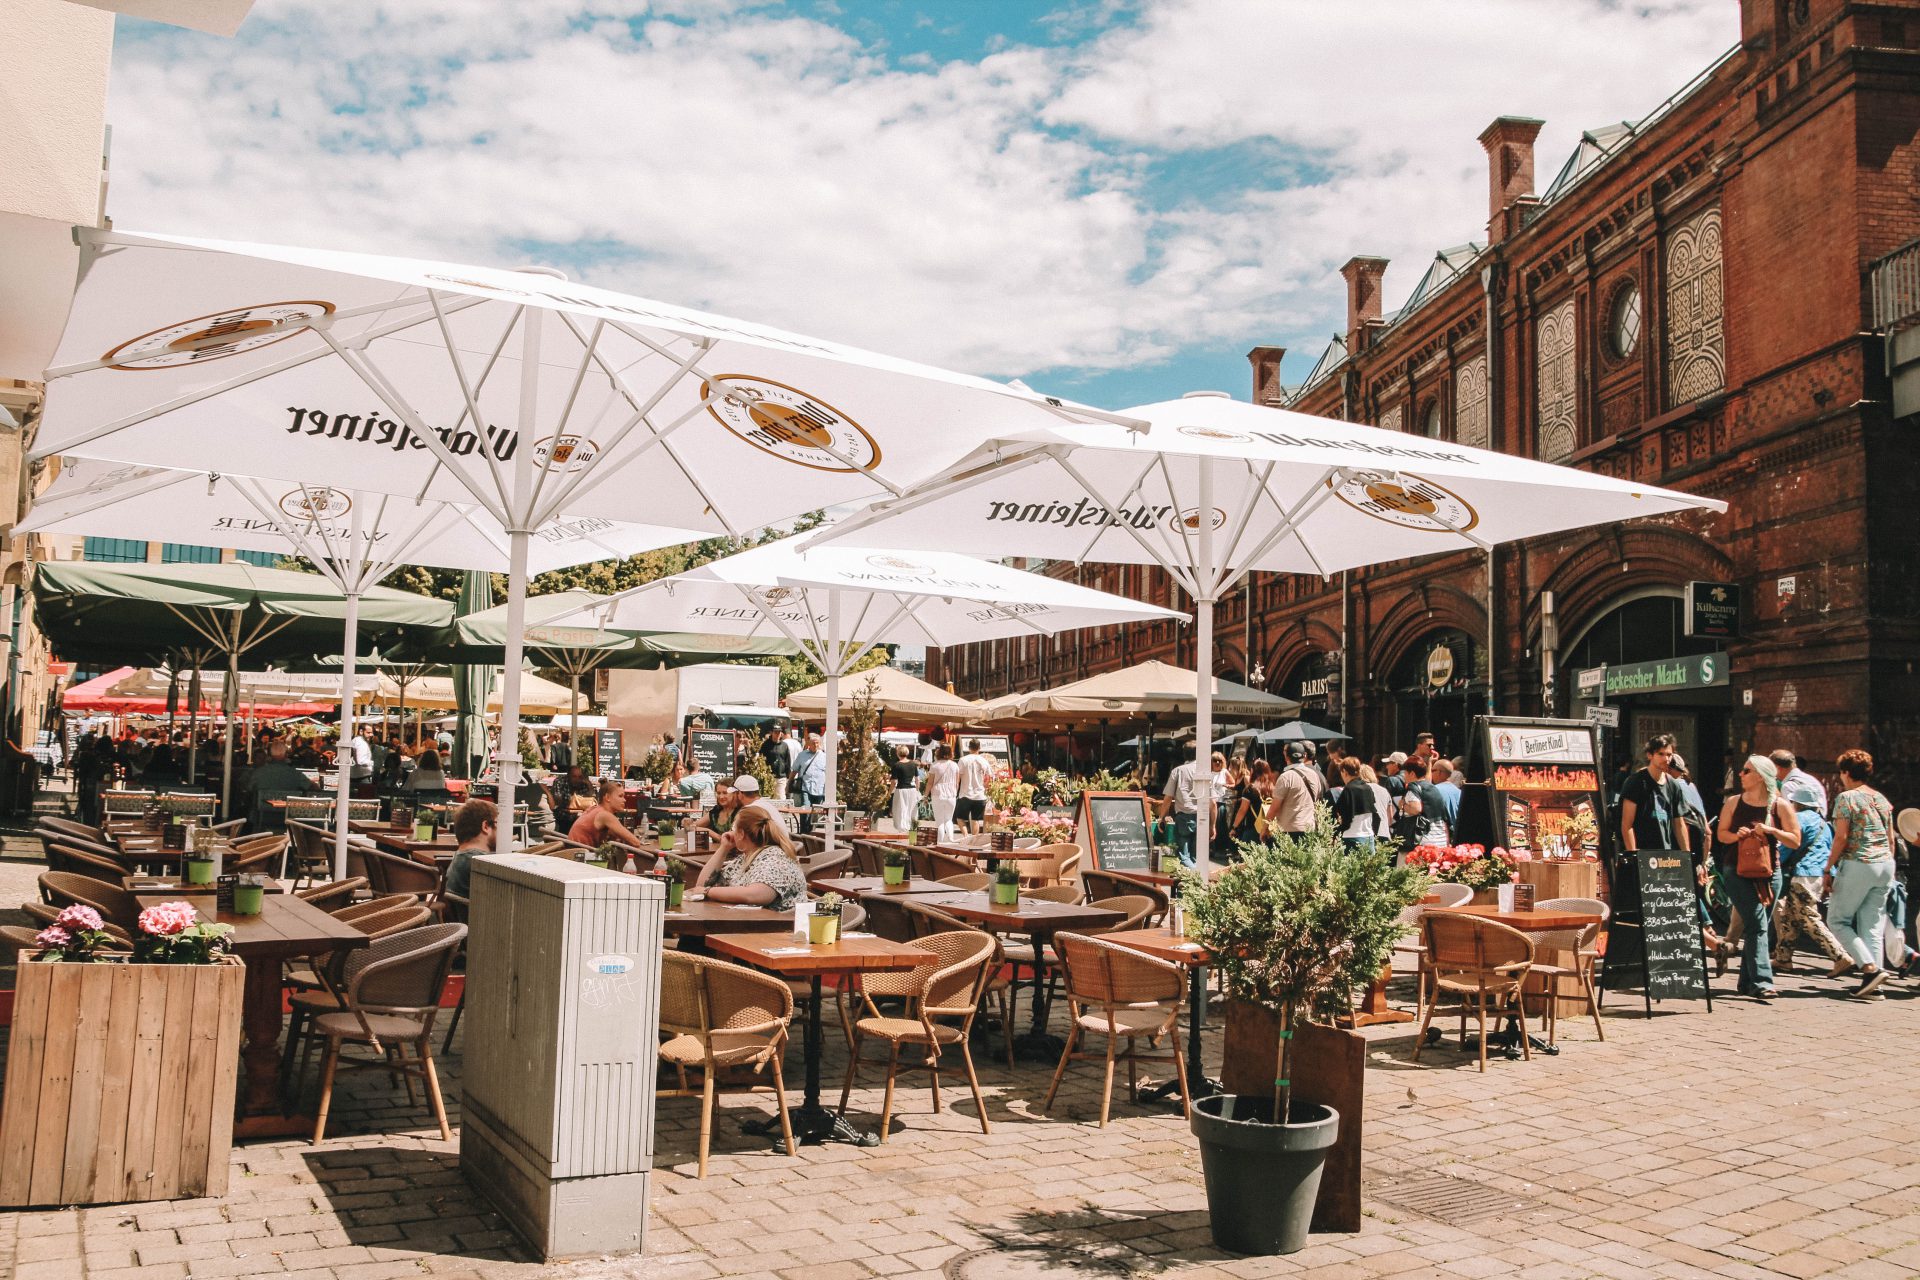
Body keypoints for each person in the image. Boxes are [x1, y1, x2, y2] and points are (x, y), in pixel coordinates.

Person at [1714, 755, 1800, 1000]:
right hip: (1736, 870)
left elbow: (1795, 839)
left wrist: (1772, 830)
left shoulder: (1779, 805)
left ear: (1761, 777)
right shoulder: (1733, 802)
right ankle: (1762, 981)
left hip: (1769, 872)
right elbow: (1721, 835)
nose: (1740, 774)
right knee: (1758, 924)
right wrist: (1737, 835)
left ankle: (1746, 982)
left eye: (1746, 771)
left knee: (1755, 927)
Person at [1823, 748, 1896, 998]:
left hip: (1858, 862)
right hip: (1885, 864)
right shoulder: (1881, 798)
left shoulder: (1847, 798)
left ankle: (1870, 968)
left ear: (1845, 773)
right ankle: (1873, 985)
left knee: (1838, 920)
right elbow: (1890, 838)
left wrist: (1828, 867)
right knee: (1872, 924)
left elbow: (1841, 837)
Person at [1772, 776, 1849, 975]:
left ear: (1796, 803)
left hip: (1803, 874)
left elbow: (1790, 845)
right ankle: (1783, 958)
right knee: (1790, 916)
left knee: (1808, 917)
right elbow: (1829, 850)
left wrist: (1775, 861)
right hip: (1819, 874)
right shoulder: (1825, 824)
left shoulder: (1799, 819)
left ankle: (1840, 956)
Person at [690, 805, 807, 909]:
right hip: (749, 924)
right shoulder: (746, 857)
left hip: (779, 929)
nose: (730, 832)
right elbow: (702, 885)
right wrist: (723, 848)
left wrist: (708, 892)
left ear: (741, 834)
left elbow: (757, 895)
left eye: (733, 828)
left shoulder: (775, 858)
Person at [442, 798, 497, 907]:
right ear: (485, 826)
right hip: (486, 922)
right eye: (497, 823)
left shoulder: (463, 857)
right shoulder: (482, 864)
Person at [1266, 741, 1326, 836]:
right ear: (1304, 755)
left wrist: (1265, 828)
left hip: (1289, 830)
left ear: (1286, 756)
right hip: (1310, 828)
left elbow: (1275, 807)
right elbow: (1318, 801)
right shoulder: (1314, 775)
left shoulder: (1285, 777)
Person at [568, 779, 646, 850]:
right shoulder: (605, 815)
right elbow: (636, 843)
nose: (624, 800)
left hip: (571, 855)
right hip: (579, 860)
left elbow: (616, 836)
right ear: (607, 797)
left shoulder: (595, 809)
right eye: (620, 796)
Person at [1331, 757, 1386, 852]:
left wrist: (1337, 834)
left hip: (1351, 837)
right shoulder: (1367, 788)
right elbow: (1375, 815)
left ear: (1344, 771)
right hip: (1369, 837)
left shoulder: (1348, 790)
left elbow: (1345, 816)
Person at [1394, 756, 1450, 847]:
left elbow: (1416, 809)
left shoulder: (1413, 787)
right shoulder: (1433, 788)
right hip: (1440, 839)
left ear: (1412, 773)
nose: (1404, 776)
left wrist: (1402, 805)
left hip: (1421, 842)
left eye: (1405, 773)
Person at [1159, 754, 1201, 865]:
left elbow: (1168, 797)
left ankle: (1196, 879)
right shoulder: (1204, 771)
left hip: (1184, 816)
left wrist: (1161, 817)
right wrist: (1212, 825)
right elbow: (1212, 802)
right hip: (1202, 816)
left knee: (1184, 855)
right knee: (1197, 856)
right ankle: (1196, 878)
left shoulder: (1178, 771)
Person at [1770, 748, 1829, 819]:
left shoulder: (1788, 786)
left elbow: (1790, 817)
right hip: (1821, 826)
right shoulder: (1811, 779)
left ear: (1777, 768)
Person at [956, 738, 992, 835]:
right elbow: (989, 778)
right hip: (980, 795)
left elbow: (958, 777)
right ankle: (973, 840)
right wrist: (985, 786)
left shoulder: (963, 760)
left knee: (960, 818)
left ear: (969, 748)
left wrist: (955, 789)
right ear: (979, 748)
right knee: (975, 820)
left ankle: (966, 836)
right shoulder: (984, 761)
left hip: (965, 794)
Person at [927, 743, 960, 840]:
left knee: (940, 821)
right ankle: (951, 839)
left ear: (939, 752)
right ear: (951, 753)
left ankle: (940, 842)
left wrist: (925, 795)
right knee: (949, 819)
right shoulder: (955, 765)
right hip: (951, 795)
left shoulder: (934, 765)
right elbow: (957, 782)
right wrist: (954, 793)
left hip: (937, 794)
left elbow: (930, 783)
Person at [793, 733, 826, 830]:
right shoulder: (802, 755)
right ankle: (803, 832)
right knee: (805, 810)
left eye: (817, 743)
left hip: (820, 789)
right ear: (808, 744)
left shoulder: (824, 756)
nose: (816, 745)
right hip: (806, 787)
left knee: (816, 813)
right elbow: (794, 769)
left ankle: (812, 832)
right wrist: (789, 783)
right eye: (813, 743)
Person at [889, 745, 921, 832]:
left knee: (900, 809)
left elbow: (894, 781)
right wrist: (917, 790)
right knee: (911, 809)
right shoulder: (913, 764)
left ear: (898, 753)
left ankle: (902, 829)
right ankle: (911, 827)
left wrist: (889, 792)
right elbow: (917, 779)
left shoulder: (897, 765)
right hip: (912, 790)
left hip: (901, 789)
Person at [1429, 757, 1462, 830]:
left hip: (1441, 835)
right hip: (1457, 834)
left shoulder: (1434, 790)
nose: (1431, 773)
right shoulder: (1459, 792)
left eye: (1432, 770)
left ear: (1439, 772)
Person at [762, 729, 791, 800]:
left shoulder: (784, 745)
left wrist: (788, 775)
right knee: (770, 798)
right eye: (775, 732)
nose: (777, 734)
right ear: (771, 733)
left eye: (779, 732)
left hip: (781, 776)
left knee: (781, 798)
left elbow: (787, 761)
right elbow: (761, 759)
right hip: (769, 776)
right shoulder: (766, 744)